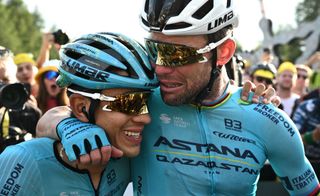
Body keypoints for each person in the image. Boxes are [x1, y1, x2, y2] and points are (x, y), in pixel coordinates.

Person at [37, 0, 319, 195]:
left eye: (176, 54)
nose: (159, 67)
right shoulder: (144, 102)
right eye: (154, 50)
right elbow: (52, 119)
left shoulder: (265, 117)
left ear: (223, 52)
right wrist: (68, 125)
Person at [0, 32, 158, 195]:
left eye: (146, 102)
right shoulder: (23, 161)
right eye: (129, 102)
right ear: (81, 107)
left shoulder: (127, 155)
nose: (146, 118)